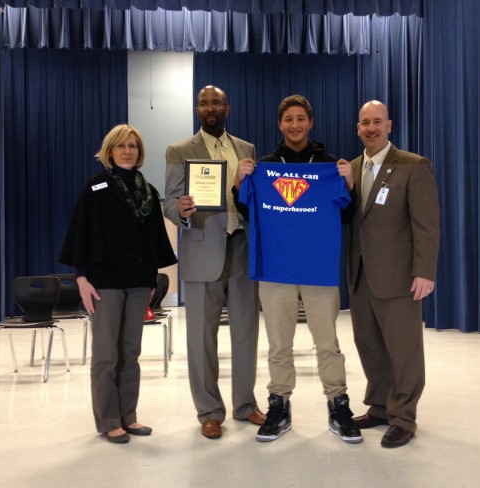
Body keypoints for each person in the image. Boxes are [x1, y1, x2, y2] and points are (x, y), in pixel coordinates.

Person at [234, 95, 362, 443]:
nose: (294, 125)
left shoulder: (328, 165)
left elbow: (347, 215)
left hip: (318, 268)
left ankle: (338, 403)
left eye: (301, 119)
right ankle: (279, 405)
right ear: (280, 124)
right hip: (276, 269)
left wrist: (348, 184)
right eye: (288, 119)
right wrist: (238, 183)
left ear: (311, 122)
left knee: (328, 343)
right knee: (278, 345)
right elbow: (248, 212)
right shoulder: (265, 165)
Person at [59, 124, 177, 444]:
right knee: (106, 355)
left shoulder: (148, 191)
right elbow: (81, 234)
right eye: (121, 146)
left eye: (134, 146)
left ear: (139, 153)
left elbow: (153, 240)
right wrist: (81, 278)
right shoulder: (95, 188)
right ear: (109, 151)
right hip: (105, 283)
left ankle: (129, 416)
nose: (128, 151)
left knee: (130, 353)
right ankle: (109, 419)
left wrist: (152, 279)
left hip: (139, 283)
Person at [162, 85, 264, 440]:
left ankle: (246, 404)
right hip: (202, 249)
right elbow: (169, 202)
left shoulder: (246, 149)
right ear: (197, 108)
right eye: (204, 103)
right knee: (201, 337)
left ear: (227, 107)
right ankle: (209, 411)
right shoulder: (179, 151)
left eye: (216, 102)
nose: (210, 107)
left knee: (247, 332)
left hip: (242, 248)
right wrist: (181, 211)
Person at [340, 100, 440, 448]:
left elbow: (426, 225)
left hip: (399, 277)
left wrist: (424, 271)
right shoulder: (350, 169)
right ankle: (380, 407)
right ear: (358, 128)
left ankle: (403, 417)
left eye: (377, 122)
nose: (371, 128)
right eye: (365, 122)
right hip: (360, 276)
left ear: (389, 125)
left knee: (403, 350)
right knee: (369, 346)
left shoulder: (413, 165)